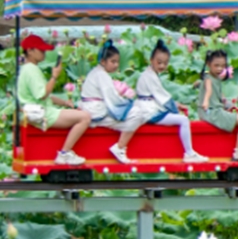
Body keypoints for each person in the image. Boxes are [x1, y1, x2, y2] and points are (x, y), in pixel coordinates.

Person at [14, 34, 90, 165]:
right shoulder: (31, 70)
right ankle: (64, 153)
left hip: (41, 110)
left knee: (78, 114)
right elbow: (42, 94)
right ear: (30, 51)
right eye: (41, 50)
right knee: (85, 117)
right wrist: (54, 77)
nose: (44, 53)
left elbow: (46, 96)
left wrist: (65, 103)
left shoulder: (26, 69)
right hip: (43, 113)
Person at [136, 40, 205, 163]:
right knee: (183, 120)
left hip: (148, 109)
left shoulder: (150, 73)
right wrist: (175, 106)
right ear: (151, 60)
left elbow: (160, 96)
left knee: (178, 117)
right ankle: (189, 153)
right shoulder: (150, 76)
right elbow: (163, 98)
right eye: (159, 62)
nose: (162, 65)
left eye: (165, 63)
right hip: (149, 112)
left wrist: (176, 105)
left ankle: (189, 153)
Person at [79, 42, 143, 165]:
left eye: (117, 62)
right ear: (103, 61)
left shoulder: (95, 72)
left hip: (91, 110)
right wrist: (129, 102)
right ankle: (119, 148)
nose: (116, 65)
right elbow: (113, 100)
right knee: (137, 113)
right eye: (112, 62)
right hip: (96, 113)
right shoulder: (102, 75)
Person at [198, 50, 238, 162]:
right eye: (216, 65)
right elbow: (209, 91)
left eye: (223, 66)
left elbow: (222, 98)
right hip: (211, 112)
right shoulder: (208, 79)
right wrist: (205, 101)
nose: (220, 68)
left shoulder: (216, 79)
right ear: (208, 64)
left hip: (213, 111)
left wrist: (230, 105)